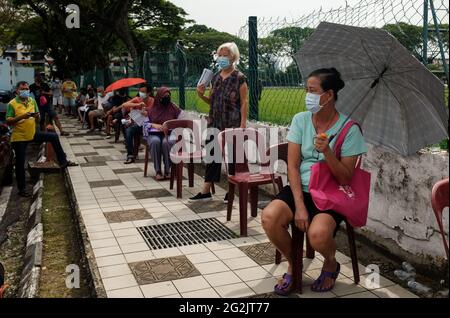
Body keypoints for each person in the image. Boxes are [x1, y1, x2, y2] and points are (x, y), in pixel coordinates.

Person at [261, 68, 368, 295]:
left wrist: (327, 151)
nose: (307, 95)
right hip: (301, 188)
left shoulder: (350, 130)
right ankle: (294, 264)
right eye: (306, 90)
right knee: (270, 218)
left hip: (331, 193)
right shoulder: (300, 120)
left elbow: (346, 177)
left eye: (312, 90)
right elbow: (292, 165)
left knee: (318, 235)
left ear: (328, 95)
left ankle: (330, 262)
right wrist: (299, 206)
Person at [189, 42, 248, 202]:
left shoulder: (239, 78)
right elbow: (213, 101)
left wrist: (243, 125)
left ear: (234, 57)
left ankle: (232, 191)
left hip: (232, 123)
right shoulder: (214, 78)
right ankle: (206, 191)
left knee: (234, 158)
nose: (222, 58)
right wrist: (201, 95)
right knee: (212, 156)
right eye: (220, 55)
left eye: (226, 54)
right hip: (214, 122)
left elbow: (244, 102)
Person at [6, 81, 78, 197]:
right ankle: (22, 189)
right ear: (17, 91)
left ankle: (63, 161)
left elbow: (37, 119)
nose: (25, 90)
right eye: (22, 88)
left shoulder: (32, 101)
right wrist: (22, 116)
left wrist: (37, 116)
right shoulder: (12, 104)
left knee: (53, 137)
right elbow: (9, 121)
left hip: (32, 133)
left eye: (27, 88)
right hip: (19, 138)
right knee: (20, 163)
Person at [146, 87, 184, 180]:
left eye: (168, 96)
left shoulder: (174, 107)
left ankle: (168, 170)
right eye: (164, 96)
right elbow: (144, 123)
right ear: (159, 97)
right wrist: (153, 125)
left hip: (170, 133)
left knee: (166, 142)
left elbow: (182, 120)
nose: (167, 98)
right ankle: (158, 171)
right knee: (155, 142)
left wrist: (171, 125)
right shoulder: (151, 109)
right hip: (154, 134)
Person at [121, 85, 154, 164]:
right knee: (128, 130)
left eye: (143, 92)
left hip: (148, 125)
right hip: (138, 124)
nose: (141, 93)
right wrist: (137, 105)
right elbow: (124, 105)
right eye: (140, 91)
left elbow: (156, 114)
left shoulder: (153, 101)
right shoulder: (137, 99)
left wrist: (147, 113)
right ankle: (130, 155)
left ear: (148, 93)